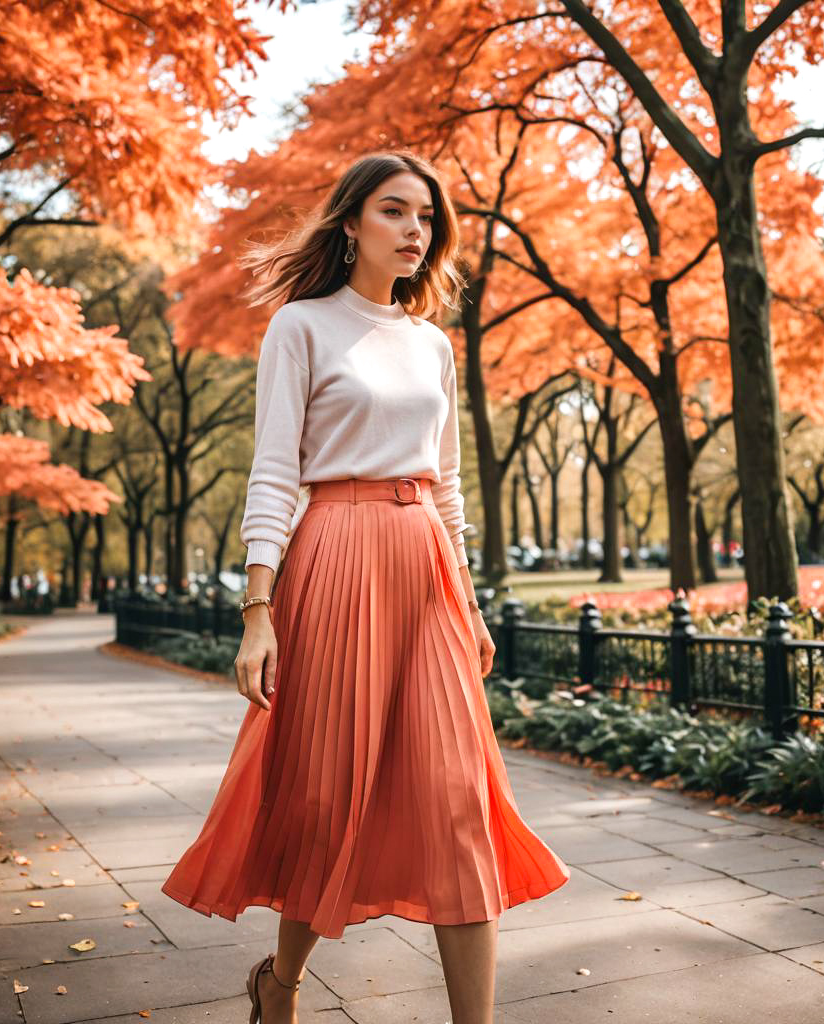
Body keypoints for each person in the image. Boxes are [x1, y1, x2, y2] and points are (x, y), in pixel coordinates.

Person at [160, 150, 570, 1024]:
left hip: (426, 569)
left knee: (459, 799)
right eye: (394, 211)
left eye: (426, 217)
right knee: (326, 798)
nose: (415, 230)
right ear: (350, 224)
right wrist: (258, 611)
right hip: (335, 557)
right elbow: (274, 476)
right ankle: (283, 984)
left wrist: (469, 596)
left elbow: (449, 484)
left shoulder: (434, 343)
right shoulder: (301, 327)